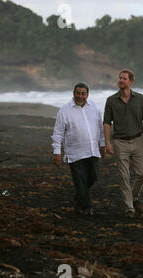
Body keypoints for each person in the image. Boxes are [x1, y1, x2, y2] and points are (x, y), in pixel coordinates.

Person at [51, 82, 106, 216]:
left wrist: (103, 144)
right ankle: (86, 207)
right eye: (78, 93)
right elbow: (58, 133)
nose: (80, 96)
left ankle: (79, 198)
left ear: (87, 94)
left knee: (93, 177)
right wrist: (57, 152)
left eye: (83, 93)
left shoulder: (94, 107)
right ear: (73, 93)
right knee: (80, 181)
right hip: (75, 153)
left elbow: (100, 127)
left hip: (92, 150)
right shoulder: (64, 110)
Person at [103, 69, 143, 218]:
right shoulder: (111, 100)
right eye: (120, 78)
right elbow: (106, 122)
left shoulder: (140, 98)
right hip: (119, 142)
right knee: (124, 176)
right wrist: (107, 142)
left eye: (124, 78)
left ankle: (134, 196)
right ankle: (129, 207)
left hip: (138, 140)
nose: (121, 80)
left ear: (131, 82)